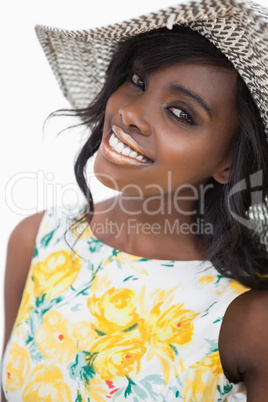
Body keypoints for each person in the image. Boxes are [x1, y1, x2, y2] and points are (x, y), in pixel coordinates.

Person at [2, 0, 268, 400]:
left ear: (230, 163)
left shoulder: (250, 317)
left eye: (180, 113)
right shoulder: (37, 240)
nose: (130, 114)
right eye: (138, 81)